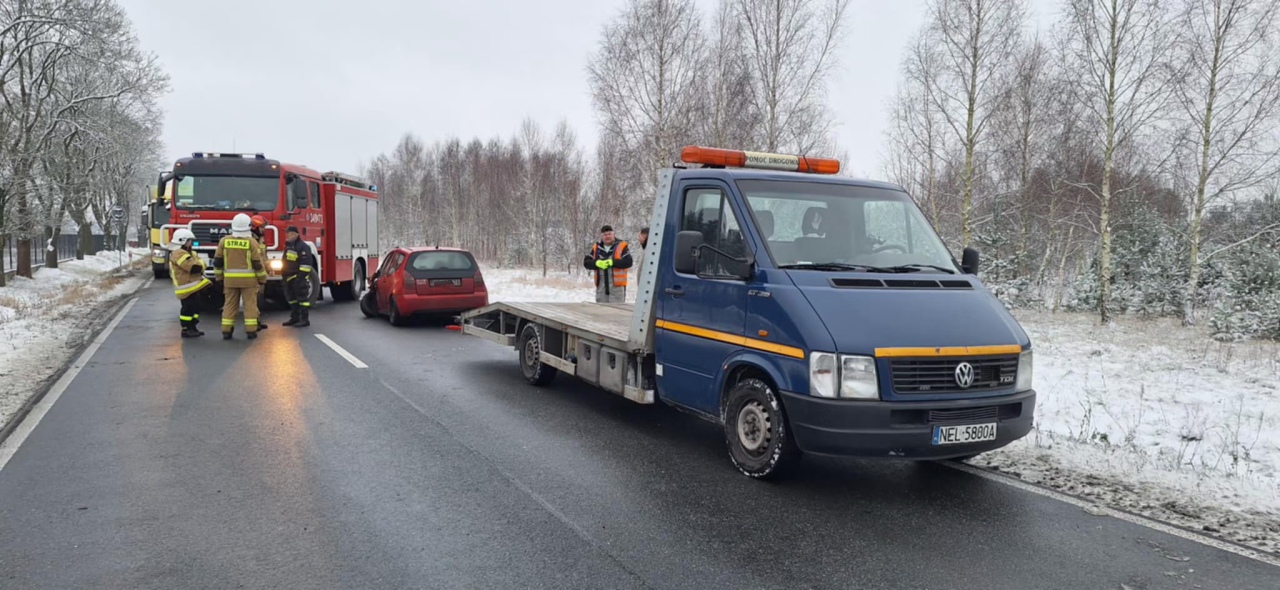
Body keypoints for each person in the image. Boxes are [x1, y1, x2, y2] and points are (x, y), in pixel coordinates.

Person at [213, 213, 267, 340]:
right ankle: (251, 331)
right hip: (249, 281)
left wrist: (219, 277)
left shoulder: (224, 241)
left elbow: (217, 262)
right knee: (250, 305)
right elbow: (257, 264)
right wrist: (262, 279)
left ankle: (226, 331)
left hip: (230, 281)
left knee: (230, 305)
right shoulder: (252, 242)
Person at [167, 228, 211, 338]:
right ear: (183, 241)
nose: (191, 243)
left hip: (192, 287)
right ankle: (186, 329)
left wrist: (200, 262)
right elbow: (194, 267)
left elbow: (200, 263)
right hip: (186, 287)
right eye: (189, 241)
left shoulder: (188, 253)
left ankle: (193, 327)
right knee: (188, 309)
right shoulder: (179, 253)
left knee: (195, 308)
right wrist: (200, 263)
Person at [583, 225, 632, 303]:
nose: (607, 236)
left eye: (609, 234)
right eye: (605, 235)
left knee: (617, 312)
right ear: (602, 237)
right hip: (601, 289)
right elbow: (586, 262)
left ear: (613, 234)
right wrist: (596, 263)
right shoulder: (596, 248)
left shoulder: (622, 246)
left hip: (617, 290)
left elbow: (628, 262)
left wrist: (613, 262)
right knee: (601, 313)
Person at [281, 226, 316, 327]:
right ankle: (295, 318)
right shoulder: (288, 246)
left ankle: (304, 319)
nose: (287, 235)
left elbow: (306, 264)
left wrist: (300, 278)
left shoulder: (303, 247)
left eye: (289, 233)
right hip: (288, 277)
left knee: (302, 299)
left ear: (295, 234)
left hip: (298, 277)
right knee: (292, 299)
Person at [248, 215, 271, 330]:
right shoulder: (249, 239)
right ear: (255, 227)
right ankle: (253, 324)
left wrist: (268, 268)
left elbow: (264, 256)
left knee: (258, 299)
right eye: (261, 227)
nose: (263, 229)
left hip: (260, 273)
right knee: (252, 301)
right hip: (251, 275)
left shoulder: (260, 239)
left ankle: (257, 320)